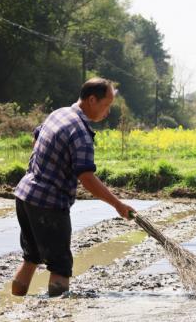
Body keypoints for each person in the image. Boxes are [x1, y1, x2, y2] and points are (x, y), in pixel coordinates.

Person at [12, 77, 136, 297]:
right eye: (106, 105)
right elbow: (87, 179)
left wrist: (44, 168)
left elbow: (37, 138)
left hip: (25, 197)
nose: (107, 112)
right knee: (60, 266)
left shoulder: (59, 113)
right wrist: (118, 205)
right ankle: (57, 312)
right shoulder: (80, 132)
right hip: (49, 204)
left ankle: (12, 306)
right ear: (91, 100)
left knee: (31, 258)